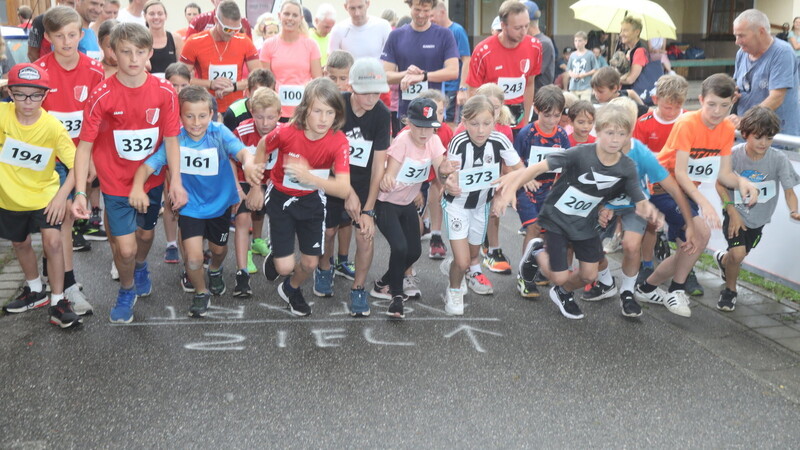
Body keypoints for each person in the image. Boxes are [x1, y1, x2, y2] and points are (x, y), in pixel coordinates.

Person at [492, 102, 659, 320]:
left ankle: (563, 293)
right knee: (560, 276)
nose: (615, 139)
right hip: (558, 217)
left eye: (621, 134)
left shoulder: (626, 165)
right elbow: (538, 168)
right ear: (597, 132)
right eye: (610, 133)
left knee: (589, 275)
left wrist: (649, 209)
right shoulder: (579, 154)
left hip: (585, 221)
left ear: (629, 135)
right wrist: (512, 187)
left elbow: (636, 193)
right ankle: (536, 253)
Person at [71, 23, 187, 324]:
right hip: (114, 182)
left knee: (145, 236)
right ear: (113, 53)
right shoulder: (101, 95)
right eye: (125, 52)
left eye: (140, 52)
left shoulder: (164, 93)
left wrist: (176, 181)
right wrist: (82, 192)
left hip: (150, 179)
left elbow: (172, 140)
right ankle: (126, 289)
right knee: (124, 247)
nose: (133, 59)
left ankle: (140, 267)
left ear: (150, 53)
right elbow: (83, 147)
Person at [635, 74, 759, 318]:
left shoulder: (725, 129)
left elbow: (724, 174)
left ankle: (647, 287)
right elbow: (680, 173)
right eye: (711, 104)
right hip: (660, 185)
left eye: (725, 106)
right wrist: (704, 202)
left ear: (732, 103)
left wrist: (743, 182)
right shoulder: (687, 123)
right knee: (700, 233)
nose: (717, 111)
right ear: (701, 100)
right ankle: (676, 290)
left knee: (690, 247)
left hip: (684, 190)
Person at [131, 86, 257, 317]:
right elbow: (148, 166)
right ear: (180, 116)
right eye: (189, 116)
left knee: (218, 251)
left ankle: (216, 270)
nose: (196, 122)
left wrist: (248, 163)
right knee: (194, 258)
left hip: (220, 205)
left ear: (212, 115)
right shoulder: (174, 140)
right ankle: (201, 291)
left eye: (202, 116)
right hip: (191, 206)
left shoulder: (219, 133)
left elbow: (242, 152)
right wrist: (138, 187)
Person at [245, 78, 352, 317]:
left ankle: (291, 288)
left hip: (313, 201)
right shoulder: (286, 132)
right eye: (317, 111)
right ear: (305, 110)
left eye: (330, 112)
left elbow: (344, 189)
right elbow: (262, 147)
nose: (324, 119)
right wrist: (256, 186)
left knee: (311, 263)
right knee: (284, 266)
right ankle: (277, 257)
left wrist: (309, 178)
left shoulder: (339, 142)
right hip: (282, 197)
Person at [587, 97, 698, 318]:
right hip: (603, 202)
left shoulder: (641, 153)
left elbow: (674, 188)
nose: (617, 135)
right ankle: (607, 282)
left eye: (624, 128)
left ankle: (627, 292)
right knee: (589, 250)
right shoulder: (596, 150)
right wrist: (601, 207)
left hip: (634, 205)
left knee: (631, 245)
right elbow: (586, 186)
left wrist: (690, 224)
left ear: (631, 127)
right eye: (612, 129)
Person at [0, 63, 82, 329]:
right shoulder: (2, 115)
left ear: (45, 95)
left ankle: (58, 301)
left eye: (36, 95)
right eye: (21, 94)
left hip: (46, 197)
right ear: (9, 93)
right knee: (20, 243)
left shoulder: (52, 127)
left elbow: (77, 166)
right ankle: (35, 291)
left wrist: (62, 197)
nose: (28, 101)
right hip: (10, 199)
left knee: (53, 242)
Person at [37, 5, 106, 315]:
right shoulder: (39, 71)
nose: (67, 42)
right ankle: (66, 283)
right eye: (59, 36)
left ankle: (64, 282)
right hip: (47, 159)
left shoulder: (93, 71)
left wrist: (90, 159)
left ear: (82, 34)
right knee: (60, 220)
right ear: (49, 37)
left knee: (63, 219)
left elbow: (96, 120)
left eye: (73, 35)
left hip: (79, 154)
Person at [315, 58, 391, 317]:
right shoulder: (337, 107)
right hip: (334, 177)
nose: (372, 97)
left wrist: (368, 209)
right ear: (352, 86)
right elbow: (327, 154)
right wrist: (347, 192)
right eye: (366, 91)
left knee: (365, 235)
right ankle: (324, 268)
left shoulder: (381, 114)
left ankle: (359, 288)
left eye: (377, 92)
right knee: (329, 231)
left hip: (364, 181)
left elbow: (379, 164)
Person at [370, 97, 457, 319]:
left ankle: (382, 283)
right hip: (387, 202)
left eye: (429, 127)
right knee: (399, 248)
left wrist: (445, 171)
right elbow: (390, 172)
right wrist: (388, 179)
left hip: (407, 203)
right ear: (408, 122)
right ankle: (396, 298)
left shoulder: (434, 141)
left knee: (415, 251)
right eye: (418, 126)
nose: (423, 133)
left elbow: (441, 172)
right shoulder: (402, 141)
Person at [443, 95, 524, 315]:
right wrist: (448, 182)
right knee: (462, 261)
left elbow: (519, 169)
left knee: (470, 258)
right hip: (457, 205)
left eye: (486, 123)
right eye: (474, 124)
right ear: (465, 122)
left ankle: (459, 271)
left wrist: (502, 195)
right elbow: (448, 176)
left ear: (495, 120)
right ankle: (453, 289)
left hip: (481, 207)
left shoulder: (500, 140)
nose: (480, 130)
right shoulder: (459, 142)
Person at [714, 107, 800, 311]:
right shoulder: (734, 155)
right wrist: (732, 211)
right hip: (735, 213)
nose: (763, 143)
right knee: (737, 254)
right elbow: (719, 184)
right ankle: (730, 291)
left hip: (759, 220)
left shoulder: (778, 159)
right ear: (745, 134)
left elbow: (789, 191)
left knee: (736, 256)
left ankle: (723, 260)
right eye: (758, 137)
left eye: (769, 138)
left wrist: (794, 211)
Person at [512, 85, 570, 297]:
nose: (552, 120)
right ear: (536, 109)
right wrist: (524, 178)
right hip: (527, 188)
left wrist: (560, 184)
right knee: (533, 228)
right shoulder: (527, 133)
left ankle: (536, 266)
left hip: (549, 189)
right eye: (547, 115)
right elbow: (514, 160)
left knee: (546, 231)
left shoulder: (562, 135)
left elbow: (567, 163)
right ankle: (524, 274)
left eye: (557, 115)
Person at [632, 73, 689, 285]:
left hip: (681, 187)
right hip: (651, 187)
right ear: (656, 100)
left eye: (677, 107)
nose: (672, 112)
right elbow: (636, 157)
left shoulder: (688, 119)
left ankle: (686, 270)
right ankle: (646, 265)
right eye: (667, 107)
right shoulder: (644, 123)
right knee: (650, 226)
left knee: (685, 227)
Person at [232, 87, 281, 295]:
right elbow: (230, 161)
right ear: (251, 112)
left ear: (279, 115)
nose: (265, 123)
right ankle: (242, 273)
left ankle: (276, 251)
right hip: (244, 180)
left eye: (270, 117)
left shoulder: (284, 132)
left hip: (273, 183)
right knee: (242, 218)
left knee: (283, 215)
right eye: (259, 117)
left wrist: (264, 189)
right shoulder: (242, 132)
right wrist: (238, 190)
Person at [466, 0, 542, 131]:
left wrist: (525, 122)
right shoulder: (483, 51)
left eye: (526, 26)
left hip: (518, 118)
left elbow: (530, 83)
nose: (524, 31)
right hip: (490, 120)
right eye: (518, 28)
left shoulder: (535, 46)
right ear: (503, 25)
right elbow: (473, 91)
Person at [381, 0, 459, 121]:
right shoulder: (396, 36)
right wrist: (407, 74)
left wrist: (424, 76)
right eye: (417, 9)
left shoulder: (445, 35)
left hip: (434, 111)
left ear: (432, 10)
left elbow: (453, 71)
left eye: (426, 10)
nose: (421, 14)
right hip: (406, 112)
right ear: (410, 6)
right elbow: (386, 75)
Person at [180, 0, 260, 113]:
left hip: (235, 109)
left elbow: (259, 79)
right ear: (216, 20)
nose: (232, 33)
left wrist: (235, 86)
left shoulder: (244, 41)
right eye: (227, 29)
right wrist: (211, 84)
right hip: (205, 107)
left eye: (236, 29)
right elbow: (180, 79)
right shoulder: (194, 42)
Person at [469, 83, 515, 276]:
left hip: (494, 178)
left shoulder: (505, 131)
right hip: (472, 180)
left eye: (496, 107)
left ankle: (493, 249)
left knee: (494, 213)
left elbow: (508, 162)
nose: (492, 111)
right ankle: (472, 253)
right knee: (473, 217)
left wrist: (506, 183)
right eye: (488, 106)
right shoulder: (470, 128)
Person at [732, 9, 800, 136]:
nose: (737, 41)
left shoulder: (782, 53)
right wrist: (731, 93)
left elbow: (776, 97)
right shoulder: (742, 53)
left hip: (775, 136)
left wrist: (746, 121)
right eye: (736, 36)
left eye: (741, 35)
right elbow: (737, 85)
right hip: (747, 134)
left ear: (761, 32)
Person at [259, 0, 323, 121]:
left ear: (301, 18)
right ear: (279, 16)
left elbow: (318, 81)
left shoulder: (311, 45)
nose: (290, 18)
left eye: (294, 15)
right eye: (286, 14)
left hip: (303, 111)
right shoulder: (268, 45)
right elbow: (265, 82)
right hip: (276, 112)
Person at [430, 1, 470, 127]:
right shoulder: (433, 31)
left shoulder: (457, 31)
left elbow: (466, 60)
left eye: (432, 15)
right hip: (435, 86)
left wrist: (463, 88)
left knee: (450, 124)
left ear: (442, 12)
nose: (430, 19)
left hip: (452, 88)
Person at [144, 0, 183, 78]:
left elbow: (182, 69)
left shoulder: (176, 39)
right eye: (152, 14)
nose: (156, 17)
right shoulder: (140, 39)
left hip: (171, 85)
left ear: (166, 16)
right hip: (149, 86)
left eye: (160, 13)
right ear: (145, 16)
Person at [523, 1, 554, 93]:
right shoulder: (525, 42)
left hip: (539, 96)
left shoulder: (544, 43)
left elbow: (532, 73)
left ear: (527, 24)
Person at [185, 0, 252, 39]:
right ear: (212, 1)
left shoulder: (243, 22)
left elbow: (249, 51)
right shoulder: (199, 21)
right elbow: (187, 50)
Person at [567, 31, 597, 102]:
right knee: (573, 106)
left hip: (586, 86)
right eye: (575, 41)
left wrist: (584, 74)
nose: (577, 43)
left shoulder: (590, 54)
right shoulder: (572, 55)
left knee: (585, 106)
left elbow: (595, 69)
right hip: (574, 86)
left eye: (580, 41)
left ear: (585, 42)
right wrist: (572, 74)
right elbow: (569, 69)